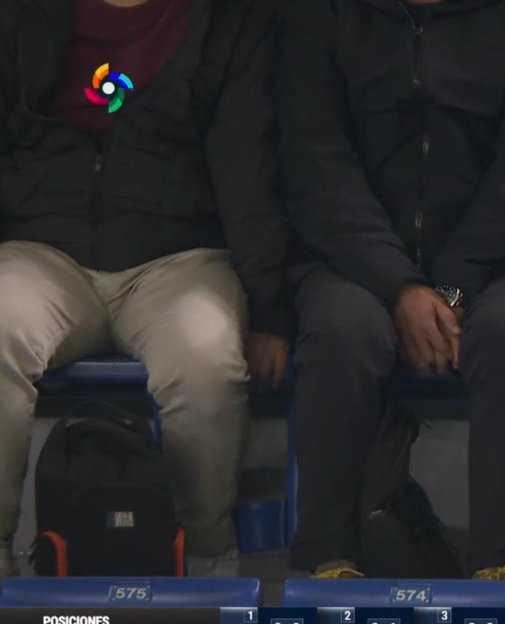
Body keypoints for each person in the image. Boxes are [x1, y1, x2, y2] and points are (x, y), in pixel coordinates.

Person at [277, 0, 505, 579]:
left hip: (492, 263)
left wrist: (450, 286)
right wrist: (399, 286)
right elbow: (315, 165)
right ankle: (328, 557)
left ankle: (503, 565)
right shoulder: (322, 15)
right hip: (355, 262)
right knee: (342, 333)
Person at [0, 0, 292, 579]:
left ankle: (207, 563)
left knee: (205, 357)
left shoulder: (228, 21)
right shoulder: (20, 15)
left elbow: (246, 170)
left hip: (179, 259)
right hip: (44, 253)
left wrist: (269, 308)